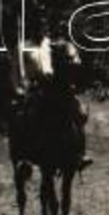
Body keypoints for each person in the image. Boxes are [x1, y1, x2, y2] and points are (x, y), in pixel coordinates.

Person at [10, 14, 91, 168]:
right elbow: (14, 72)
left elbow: (73, 61)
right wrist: (18, 89)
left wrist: (72, 66)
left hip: (57, 87)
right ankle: (24, 155)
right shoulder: (23, 47)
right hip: (34, 88)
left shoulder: (55, 45)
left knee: (79, 112)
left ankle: (80, 153)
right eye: (37, 26)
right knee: (24, 116)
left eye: (43, 26)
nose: (41, 29)